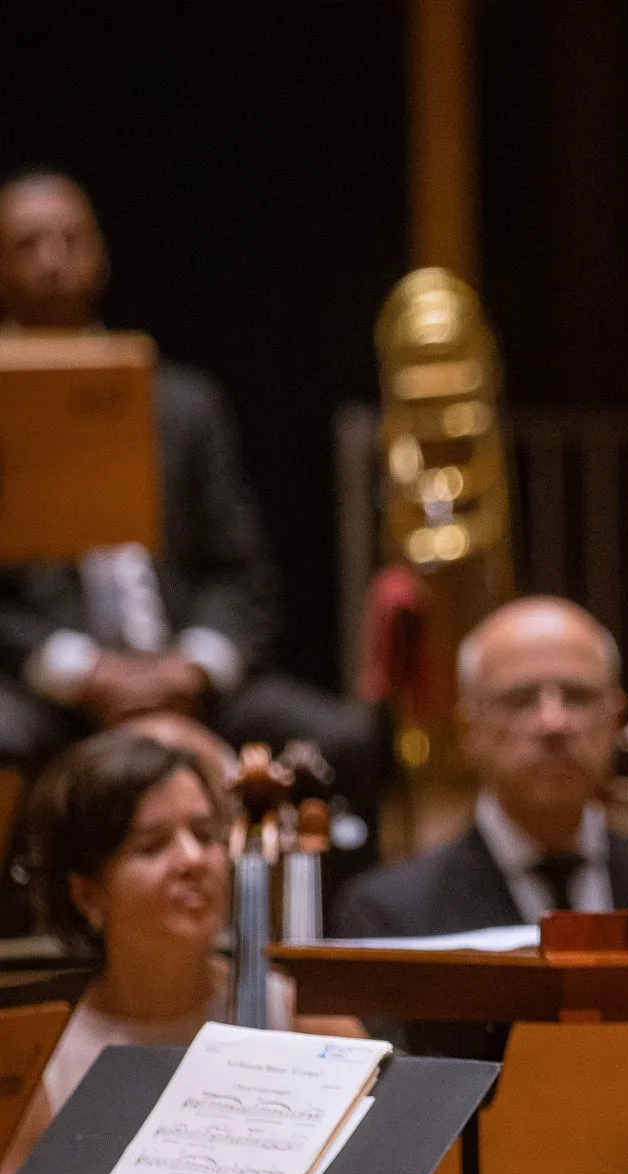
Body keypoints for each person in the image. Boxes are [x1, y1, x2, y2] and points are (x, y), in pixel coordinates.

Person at [0, 169, 383, 898]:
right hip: (40, 685)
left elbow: (239, 569)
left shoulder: (182, 402)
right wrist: (82, 671)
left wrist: (194, 665)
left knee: (341, 738)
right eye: (27, 244)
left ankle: (334, 942)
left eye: (71, 240)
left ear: (101, 257)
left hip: (183, 673)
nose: (53, 260)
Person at [0, 726, 304, 1174]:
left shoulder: (302, 1017)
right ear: (87, 895)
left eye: (205, 834)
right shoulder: (40, 1054)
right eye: (153, 845)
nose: (193, 859)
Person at [332, 597, 628, 941]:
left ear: (615, 718)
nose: (554, 723)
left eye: (578, 696)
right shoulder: (389, 914)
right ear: (469, 729)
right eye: (520, 699)